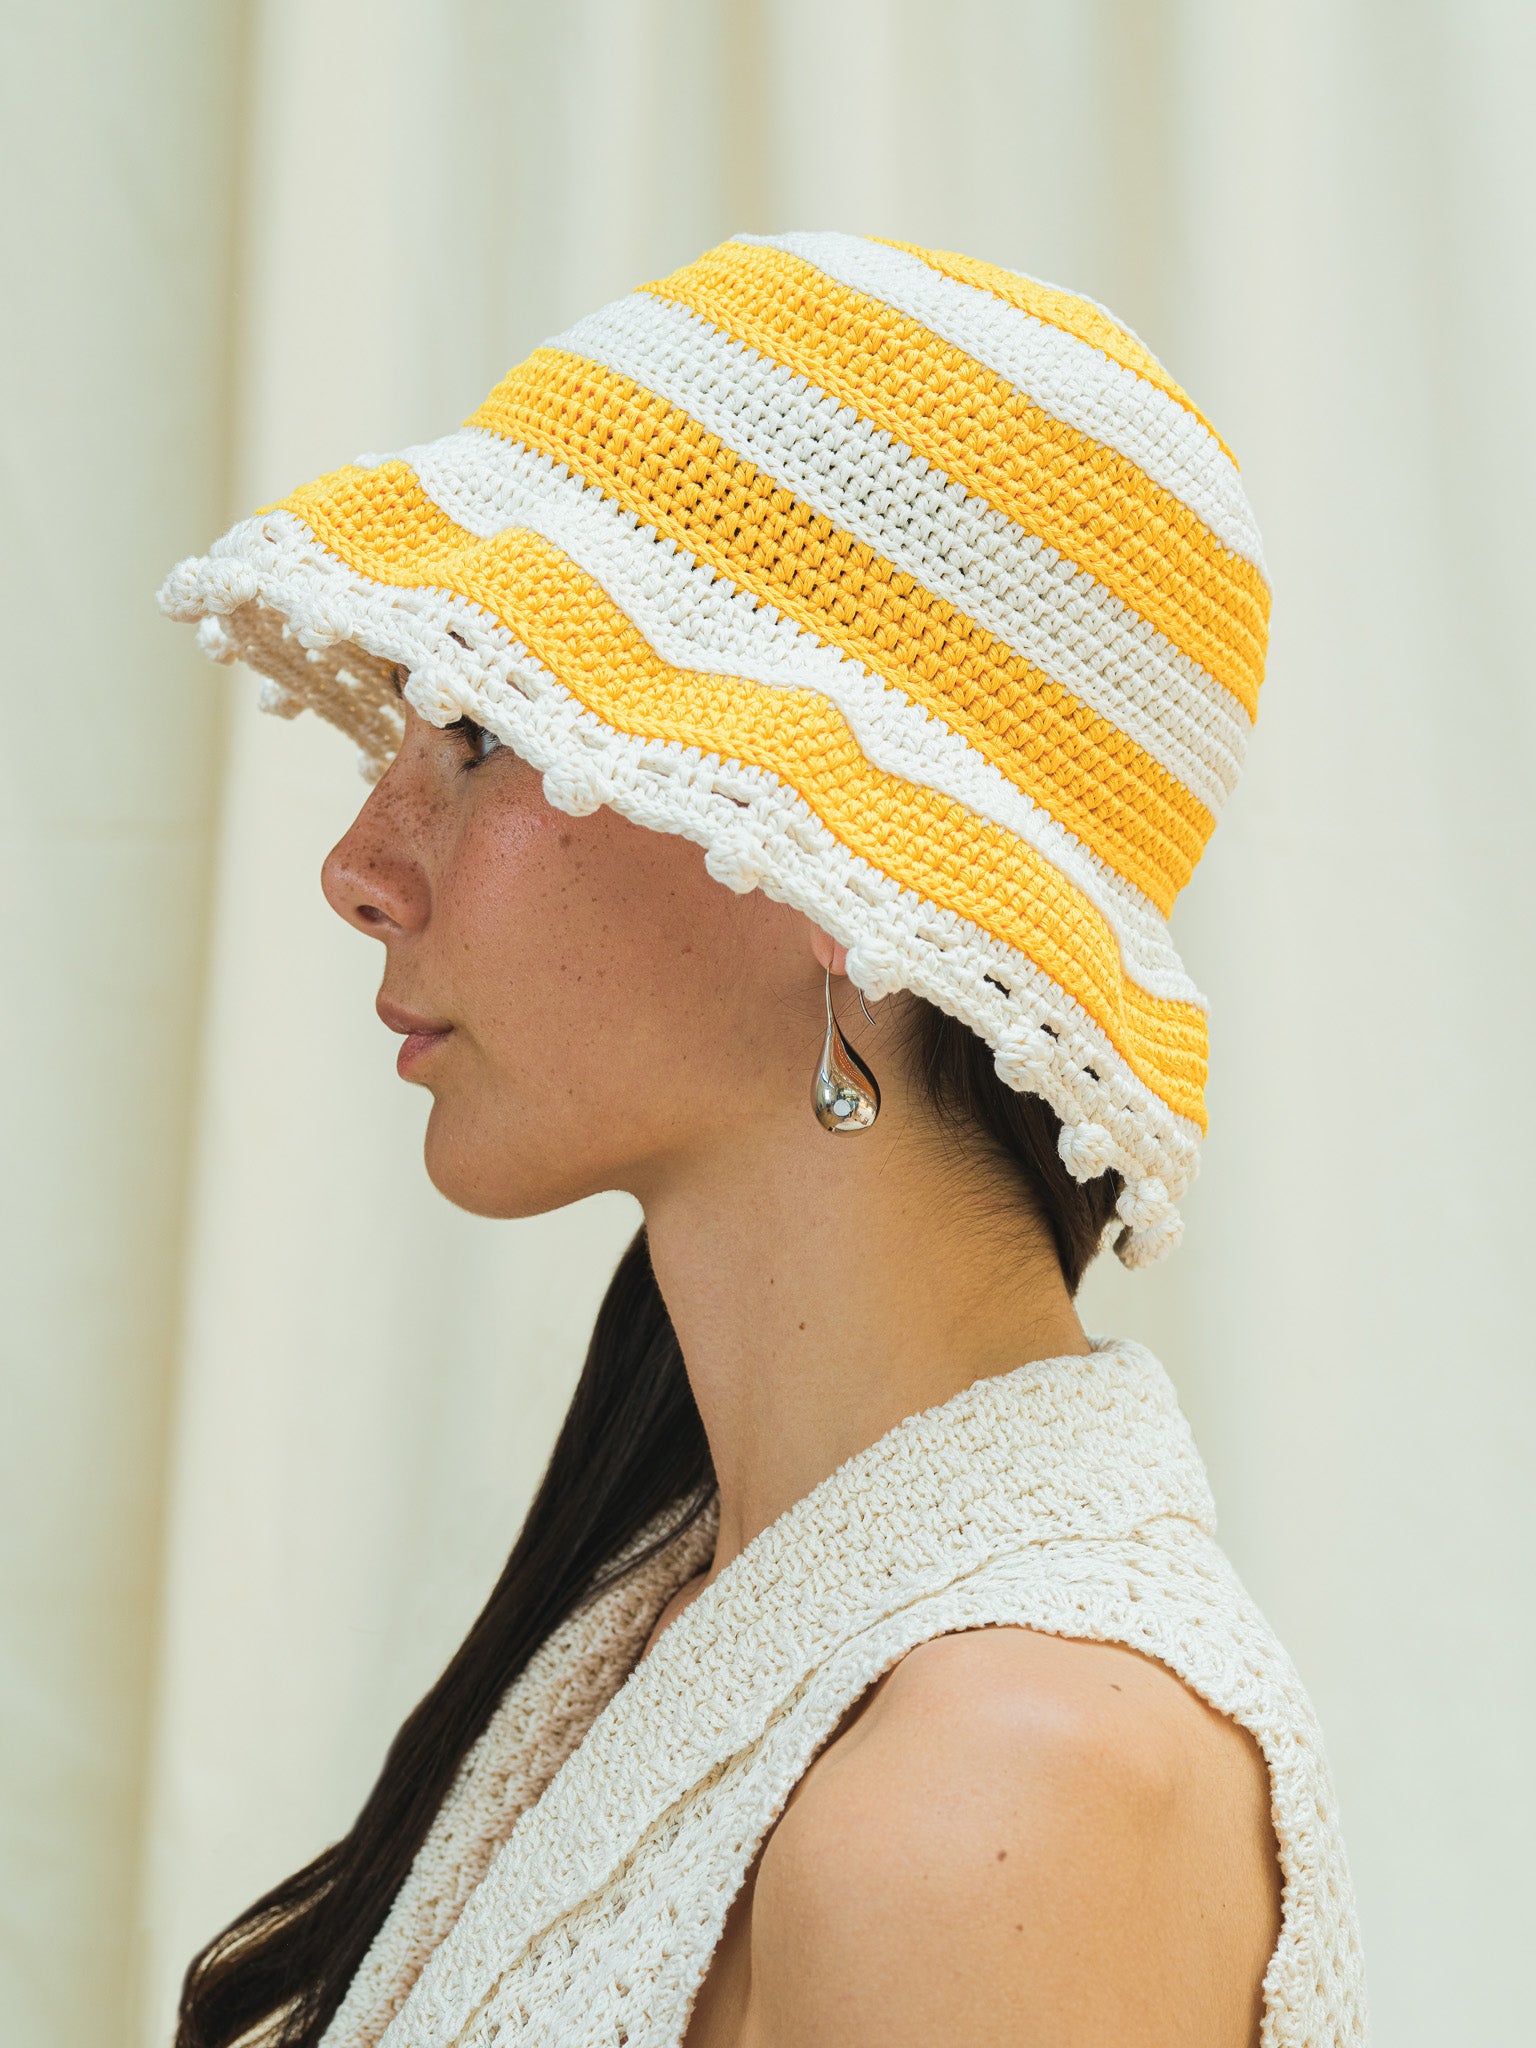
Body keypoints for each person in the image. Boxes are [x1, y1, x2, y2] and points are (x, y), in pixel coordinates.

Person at [159, 231, 1365, 2047]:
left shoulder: (1008, 1793)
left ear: (825, 858)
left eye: (485, 730)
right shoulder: (695, 1604)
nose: (362, 865)